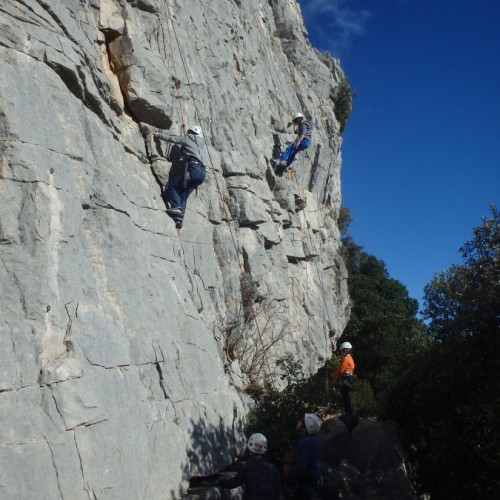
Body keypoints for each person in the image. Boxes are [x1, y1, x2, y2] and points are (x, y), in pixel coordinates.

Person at [147, 125, 207, 229]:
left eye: (189, 132)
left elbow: (172, 139)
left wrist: (157, 134)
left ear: (192, 132)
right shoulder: (201, 145)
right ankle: (179, 218)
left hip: (192, 168)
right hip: (202, 173)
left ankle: (176, 208)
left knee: (172, 187)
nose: (187, 133)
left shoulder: (189, 138)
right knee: (183, 194)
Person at [218, 433, 282, 500]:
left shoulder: (248, 468)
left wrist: (220, 482)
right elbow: (279, 493)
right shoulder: (273, 468)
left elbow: (232, 483)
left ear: (250, 448)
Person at [284, 413, 321, 499]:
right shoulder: (313, 440)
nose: (298, 422)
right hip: (311, 480)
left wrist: (289, 471)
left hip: (307, 481)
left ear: (305, 427)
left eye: (301, 421)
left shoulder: (307, 442)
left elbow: (302, 466)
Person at [331, 341, 355, 415]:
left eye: (342, 351)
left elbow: (341, 370)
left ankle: (348, 413)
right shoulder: (350, 358)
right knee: (346, 395)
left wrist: (333, 375)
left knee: (345, 396)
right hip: (349, 378)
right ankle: (349, 413)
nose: (341, 352)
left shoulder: (346, 359)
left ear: (346, 350)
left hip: (346, 378)